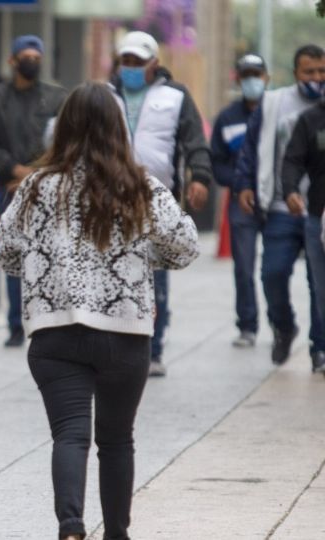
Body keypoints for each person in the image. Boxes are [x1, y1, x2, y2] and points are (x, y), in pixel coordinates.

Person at [0, 82, 199, 540]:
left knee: (70, 435)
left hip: (54, 334)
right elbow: (185, 248)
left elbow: (6, 254)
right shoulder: (141, 186)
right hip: (124, 333)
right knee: (116, 438)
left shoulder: (34, 187)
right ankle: (117, 534)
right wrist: (145, 255)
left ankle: (70, 526)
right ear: (119, 128)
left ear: (63, 127)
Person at [111, 30, 213, 377]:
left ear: (154, 63)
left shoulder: (175, 96)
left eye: (138, 62)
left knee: (155, 274)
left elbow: (195, 141)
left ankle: (154, 349)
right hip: (109, 199)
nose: (131, 67)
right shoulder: (106, 95)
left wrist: (200, 176)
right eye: (125, 61)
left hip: (157, 198)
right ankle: (115, 339)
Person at [235, 44, 325, 367]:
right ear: (295, 73)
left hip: (319, 210)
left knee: (320, 283)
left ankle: (320, 348)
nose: (316, 78)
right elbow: (251, 147)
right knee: (272, 273)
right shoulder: (275, 103)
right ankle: (284, 326)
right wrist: (244, 184)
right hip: (280, 208)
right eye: (309, 72)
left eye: (322, 71)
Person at [0, 34, 67, 348]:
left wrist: (37, 176)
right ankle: (16, 325)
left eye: (36, 56)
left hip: (49, 191)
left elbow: (64, 142)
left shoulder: (56, 98)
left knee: (51, 254)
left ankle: (49, 321)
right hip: (10, 189)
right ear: (13, 60)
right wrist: (15, 171)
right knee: (15, 254)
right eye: (26, 56)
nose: (32, 61)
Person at [210, 54, 269, 348]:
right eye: (246, 74)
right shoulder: (227, 118)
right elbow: (216, 162)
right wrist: (239, 184)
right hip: (241, 203)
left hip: (275, 201)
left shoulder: (277, 112)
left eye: (256, 74)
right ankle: (247, 325)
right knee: (243, 266)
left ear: (266, 78)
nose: (252, 80)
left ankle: (280, 323)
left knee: (274, 267)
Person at [281, 66, 325, 374]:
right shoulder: (311, 120)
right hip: (317, 217)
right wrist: (291, 190)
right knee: (321, 288)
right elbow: (293, 160)